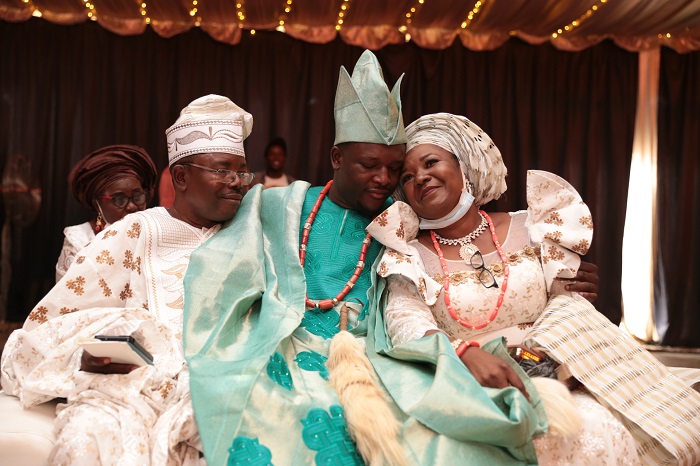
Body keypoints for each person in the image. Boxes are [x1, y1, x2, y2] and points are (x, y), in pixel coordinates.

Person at [184, 51, 600, 466]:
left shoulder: (401, 229)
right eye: (369, 165)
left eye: (392, 168)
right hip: (284, 343)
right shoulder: (279, 205)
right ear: (336, 159)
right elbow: (222, 268)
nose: (384, 180)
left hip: (378, 357)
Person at [365, 112, 700, 465]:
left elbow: (568, 303)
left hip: (561, 375)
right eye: (408, 176)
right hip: (469, 387)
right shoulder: (406, 255)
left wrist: (556, 361)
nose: (420, 177)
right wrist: (462, 354)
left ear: (465, 164)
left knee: (596, 429)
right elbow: (406, 324)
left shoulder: (534, 225)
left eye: (431, 162)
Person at [0, 94, 254, 465]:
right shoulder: (133, 233)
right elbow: (44, 329)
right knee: (89, 438)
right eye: (222, 170)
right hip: (126, 391)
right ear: (181, 177)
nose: (237, 183)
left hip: (223, 387)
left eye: (242, 172)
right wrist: (82, 358)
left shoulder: (252, 234)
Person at [55, 145, 157, 281]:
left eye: (137, 196)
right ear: (97, 204)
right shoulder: (80, 241)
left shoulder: (155, 234)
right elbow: (65, 298)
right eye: (119, 199)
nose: (132, 206)